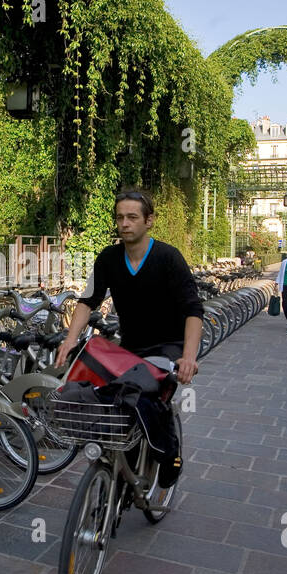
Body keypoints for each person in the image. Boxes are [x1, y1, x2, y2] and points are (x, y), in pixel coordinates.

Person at [57, 189, 203, 487]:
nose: (124, 223)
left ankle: (170, 452)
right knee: (111, 400)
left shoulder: (167, 257)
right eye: (120, 217)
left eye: (132, 217)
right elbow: (87, 301)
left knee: (145, 400)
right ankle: (125, 474)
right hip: (132, 347)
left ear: (149, 221)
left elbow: (193, 310)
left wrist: (188, 357)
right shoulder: (109, 258)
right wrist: (70, 340)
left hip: (168, 346)